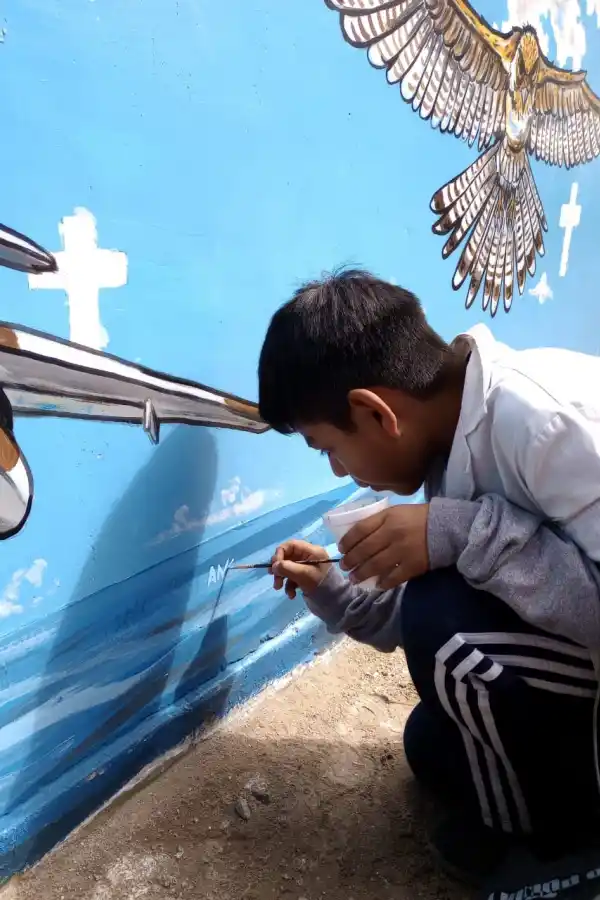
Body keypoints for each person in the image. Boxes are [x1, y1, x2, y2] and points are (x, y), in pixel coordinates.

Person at [257, 268, 600, 886]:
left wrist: (459, 532)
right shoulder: (446, 435)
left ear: (375, 412)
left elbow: (442, 615)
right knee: (431, 742)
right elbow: (415, 611)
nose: (338, 471)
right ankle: (542, 799)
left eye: (327, 447)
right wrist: (332, 588)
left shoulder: (546, 423)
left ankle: (567, 854)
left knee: (447, 629)